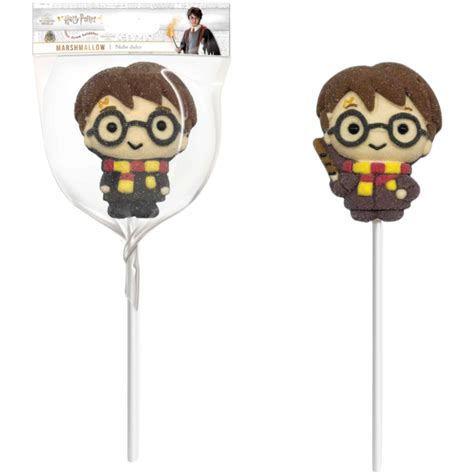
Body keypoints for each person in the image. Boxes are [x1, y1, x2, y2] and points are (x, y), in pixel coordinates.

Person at [314, 62, 442, 222]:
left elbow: (412, 189)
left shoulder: (396, 173)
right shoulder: (350, 171)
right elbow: (340, 187)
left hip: (393, 202)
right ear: (328, 129)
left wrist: (406, 191)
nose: (377, 139)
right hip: (359, 203)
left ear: (427, 139)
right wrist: (342, 184)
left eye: (402, 128)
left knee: (390, 213)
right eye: (353, 128)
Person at [74, 62, 197, 218]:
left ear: (184, 135)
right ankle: (119, 207)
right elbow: (110, 177)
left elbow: (161, 178)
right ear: (87, 131)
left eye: (161, 126)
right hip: (117, 194)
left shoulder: (157, 168)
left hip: (150, 192)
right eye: (112, 127)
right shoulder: (112, 166)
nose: (135, 139)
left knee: (147, 207)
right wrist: (106, 185)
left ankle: (146, 207)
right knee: (119, 207)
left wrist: (163, 186)